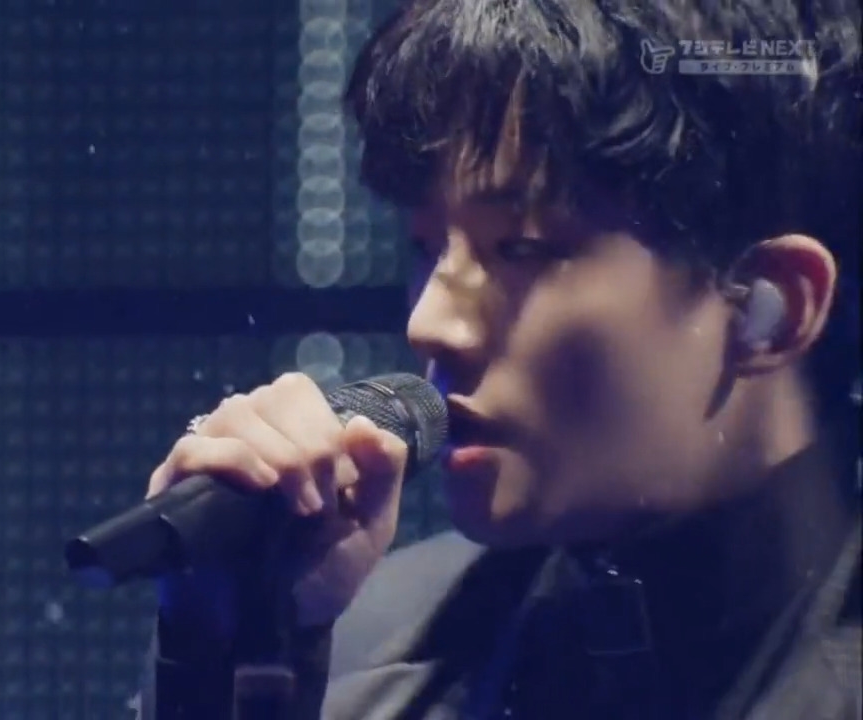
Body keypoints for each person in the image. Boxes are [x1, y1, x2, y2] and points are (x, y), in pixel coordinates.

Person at [136, 0, 860, 717]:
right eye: (426, 249)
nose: (430, 324)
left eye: (521, 249)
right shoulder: (352, 652)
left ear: (772, 308)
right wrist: (236, 652)